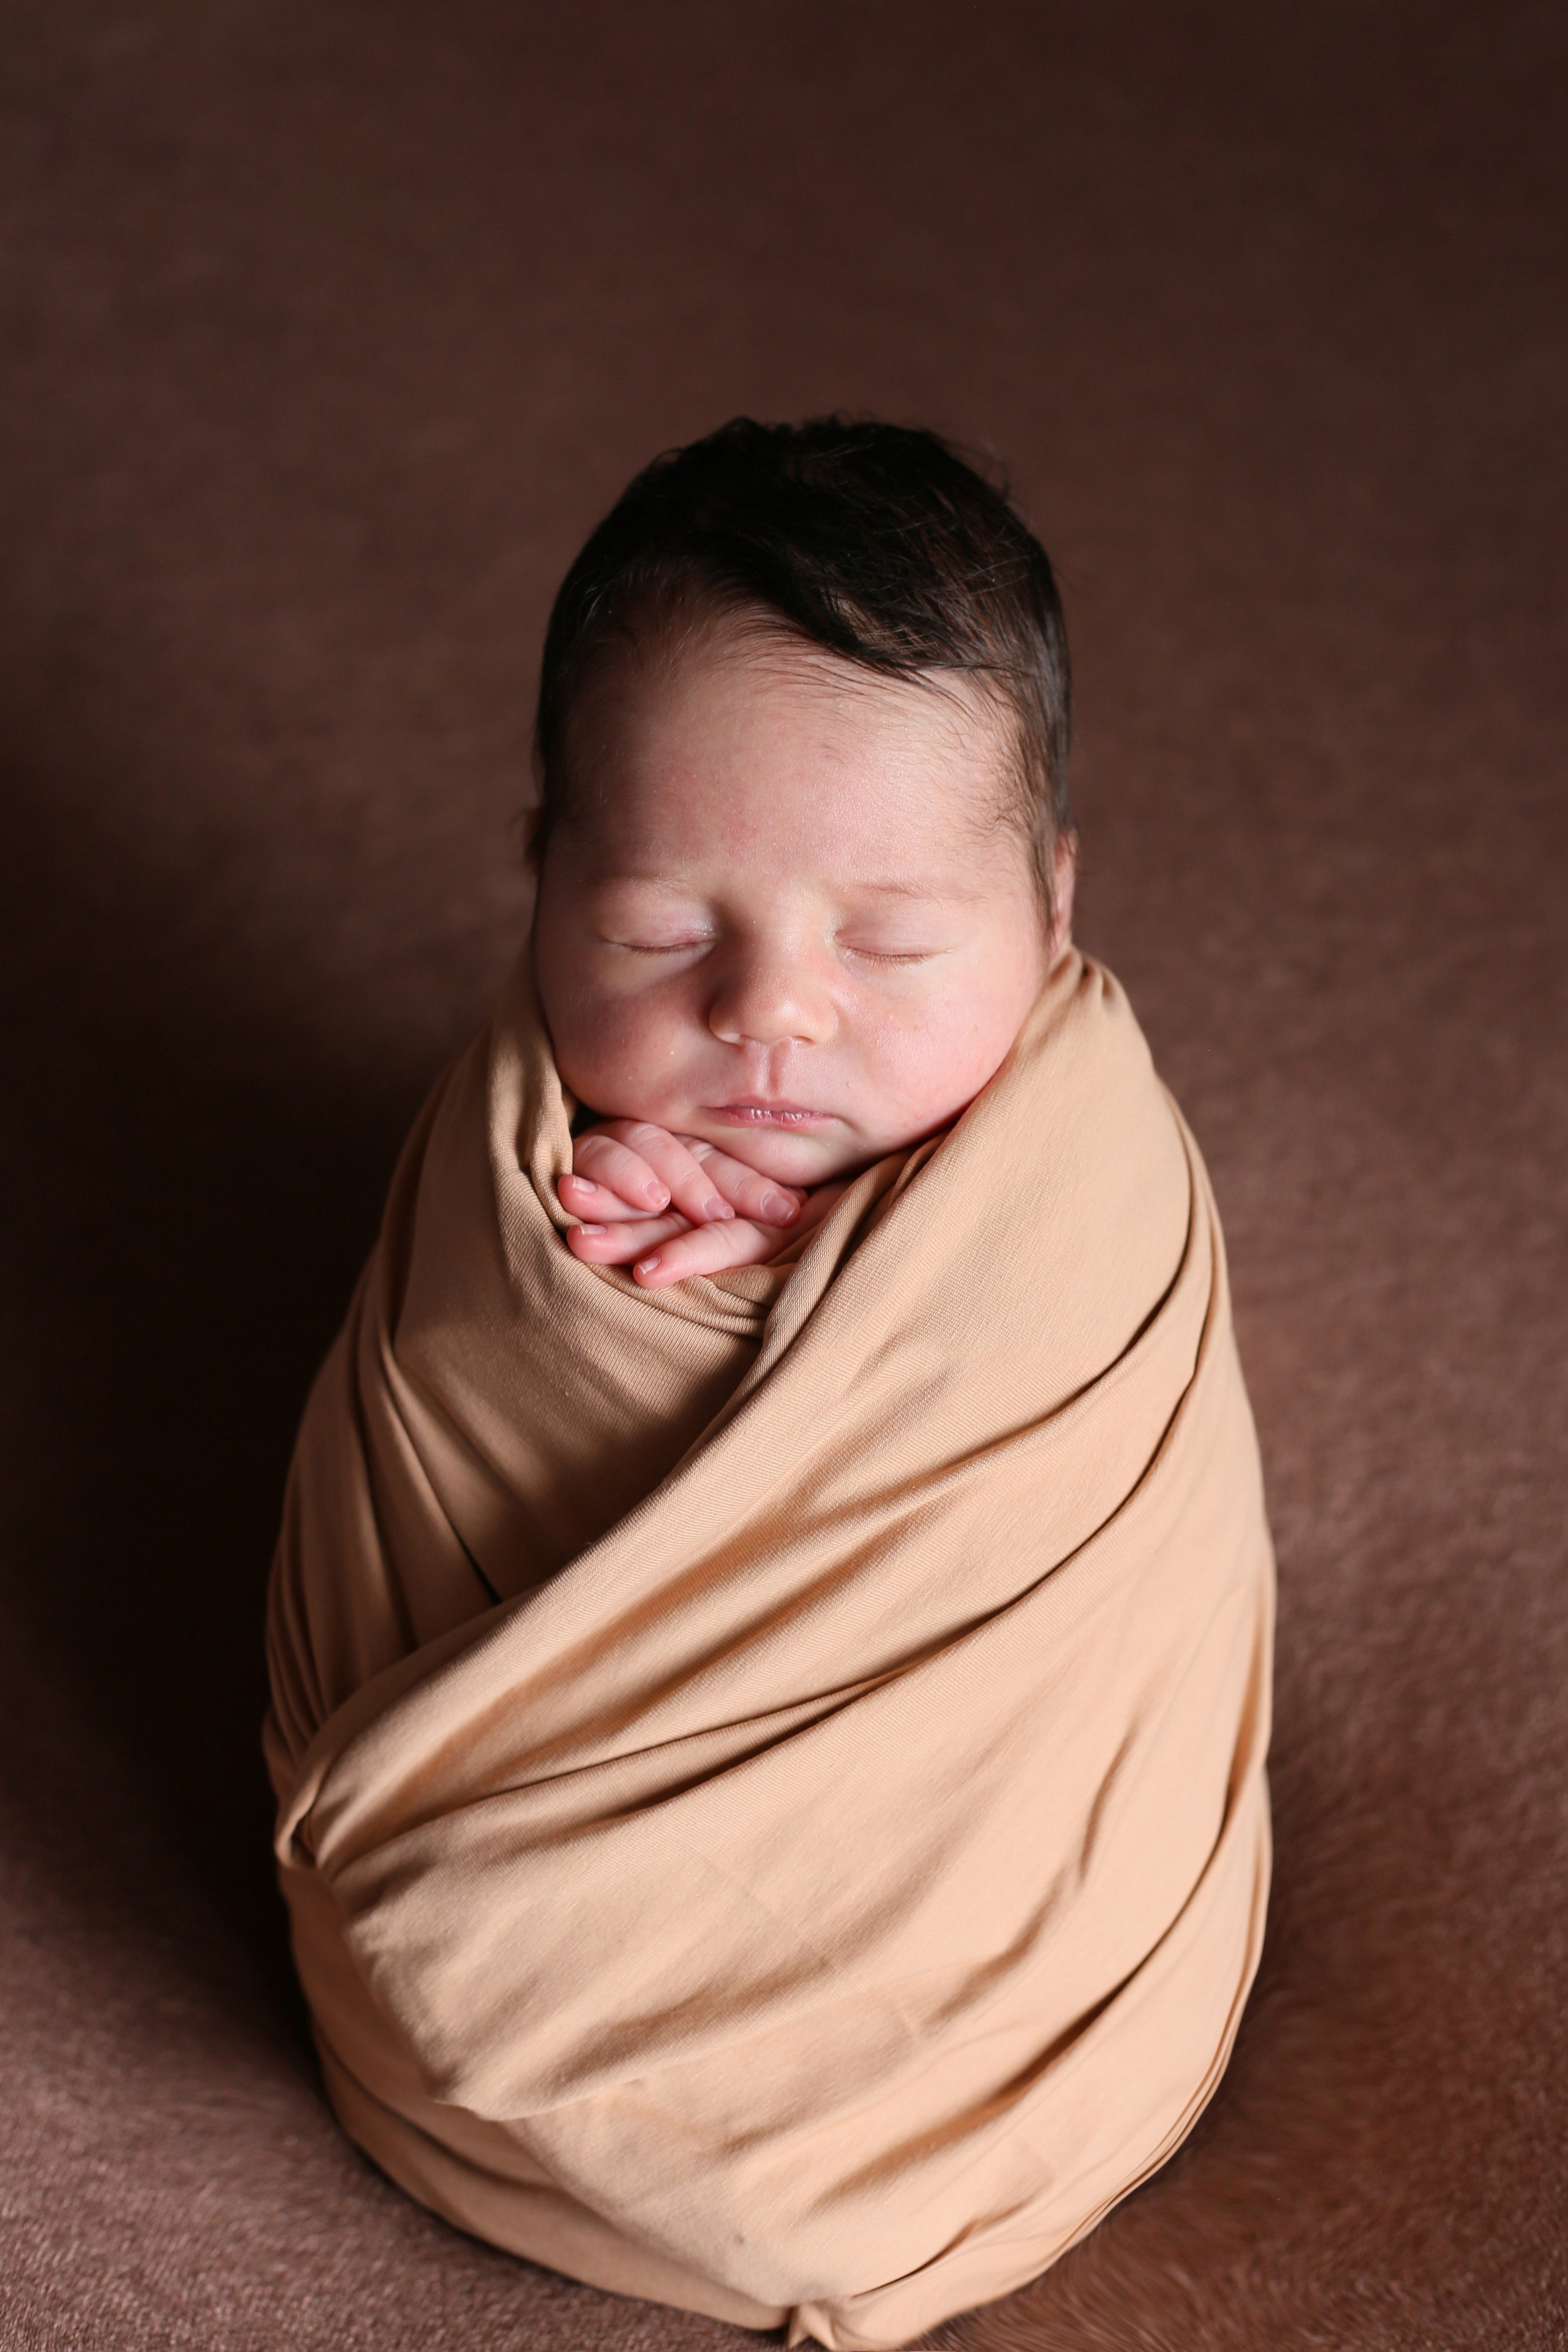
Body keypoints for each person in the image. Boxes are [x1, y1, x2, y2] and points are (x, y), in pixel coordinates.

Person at [266, 418, 1274, 2352]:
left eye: (891, 938)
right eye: (657, 930)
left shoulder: (1095, 1190)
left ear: (1055, 915)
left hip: (990, 2034)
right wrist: (641, 1335)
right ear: (542, 874)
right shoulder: (524, 1159)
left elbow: (1038, 1396)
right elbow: (466, 1408)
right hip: (491, 2002)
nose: (771, 1015)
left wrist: (830, 1310)